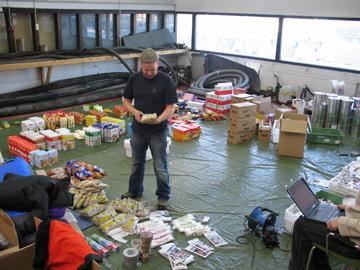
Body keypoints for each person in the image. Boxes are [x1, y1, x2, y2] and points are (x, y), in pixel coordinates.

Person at [121, 48, 178, 210]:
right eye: (146, 69)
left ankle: (163, 196)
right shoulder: (134, 79)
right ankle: (134, 191)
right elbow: (126, 100)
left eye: (152, 69)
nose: (149, 72)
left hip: (158, 131)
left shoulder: (166, 81)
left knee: (160, 166)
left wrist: (159, 119)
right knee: (136, 163)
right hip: (138, 129)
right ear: (141, 66)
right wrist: (134, 111)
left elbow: (170, 106)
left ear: (157, 64)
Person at [289, 191, 360, 270]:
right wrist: (352, 210)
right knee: (315, 221)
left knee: (301, 225)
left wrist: (341, 223)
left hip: (355, 244)